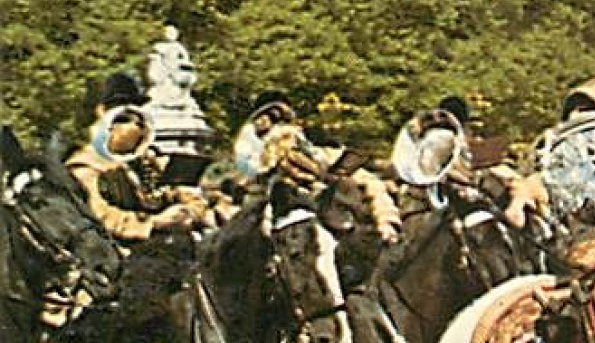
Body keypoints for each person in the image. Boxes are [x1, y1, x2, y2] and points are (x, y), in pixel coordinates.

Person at [237, 92, 401, 243]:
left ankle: (387, 228)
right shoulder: (262, 146)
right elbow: (259, 170)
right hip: (290, 194)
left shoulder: (301, 135)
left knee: (372, 186)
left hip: (323, 180)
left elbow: (328, 159)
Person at [67, 72, 208, 243]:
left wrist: (188, 213)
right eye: (123, 111)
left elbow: (182, 192)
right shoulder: (84, 166)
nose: (134, 120)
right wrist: (154, 223)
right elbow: (100, 214)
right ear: (102, 112)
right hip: (117, 251)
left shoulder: (147, 159)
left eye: (136, 108)